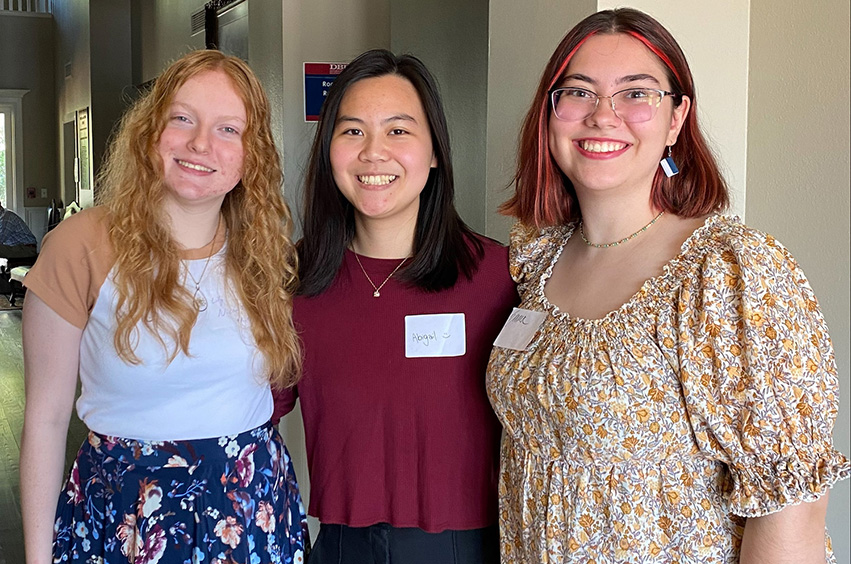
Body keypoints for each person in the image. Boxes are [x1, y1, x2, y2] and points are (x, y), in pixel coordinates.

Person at [486, 8, 850, 564]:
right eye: (578, 93)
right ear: (550, 113)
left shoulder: (729, 275)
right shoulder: (537, 260)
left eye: (636, 94)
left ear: (677, 118)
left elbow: (792, 516)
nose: (603, 117)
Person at [20, 50, 309, 564]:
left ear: (251, 154)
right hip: (127, 516)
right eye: (183, 118)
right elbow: (44, 420)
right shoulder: (81, 246)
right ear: (150, 130)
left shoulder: (265, 252)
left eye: (228, 129)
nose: (201, 143)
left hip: (251, 512)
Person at [271, 49, 517, 564]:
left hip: (466, 548)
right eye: (352, 131)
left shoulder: (501, 278)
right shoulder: (289, 282)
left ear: (434, 152)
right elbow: (244, 415)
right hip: (340, 548)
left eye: (398, 131)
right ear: (329, 150)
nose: (373, 153)